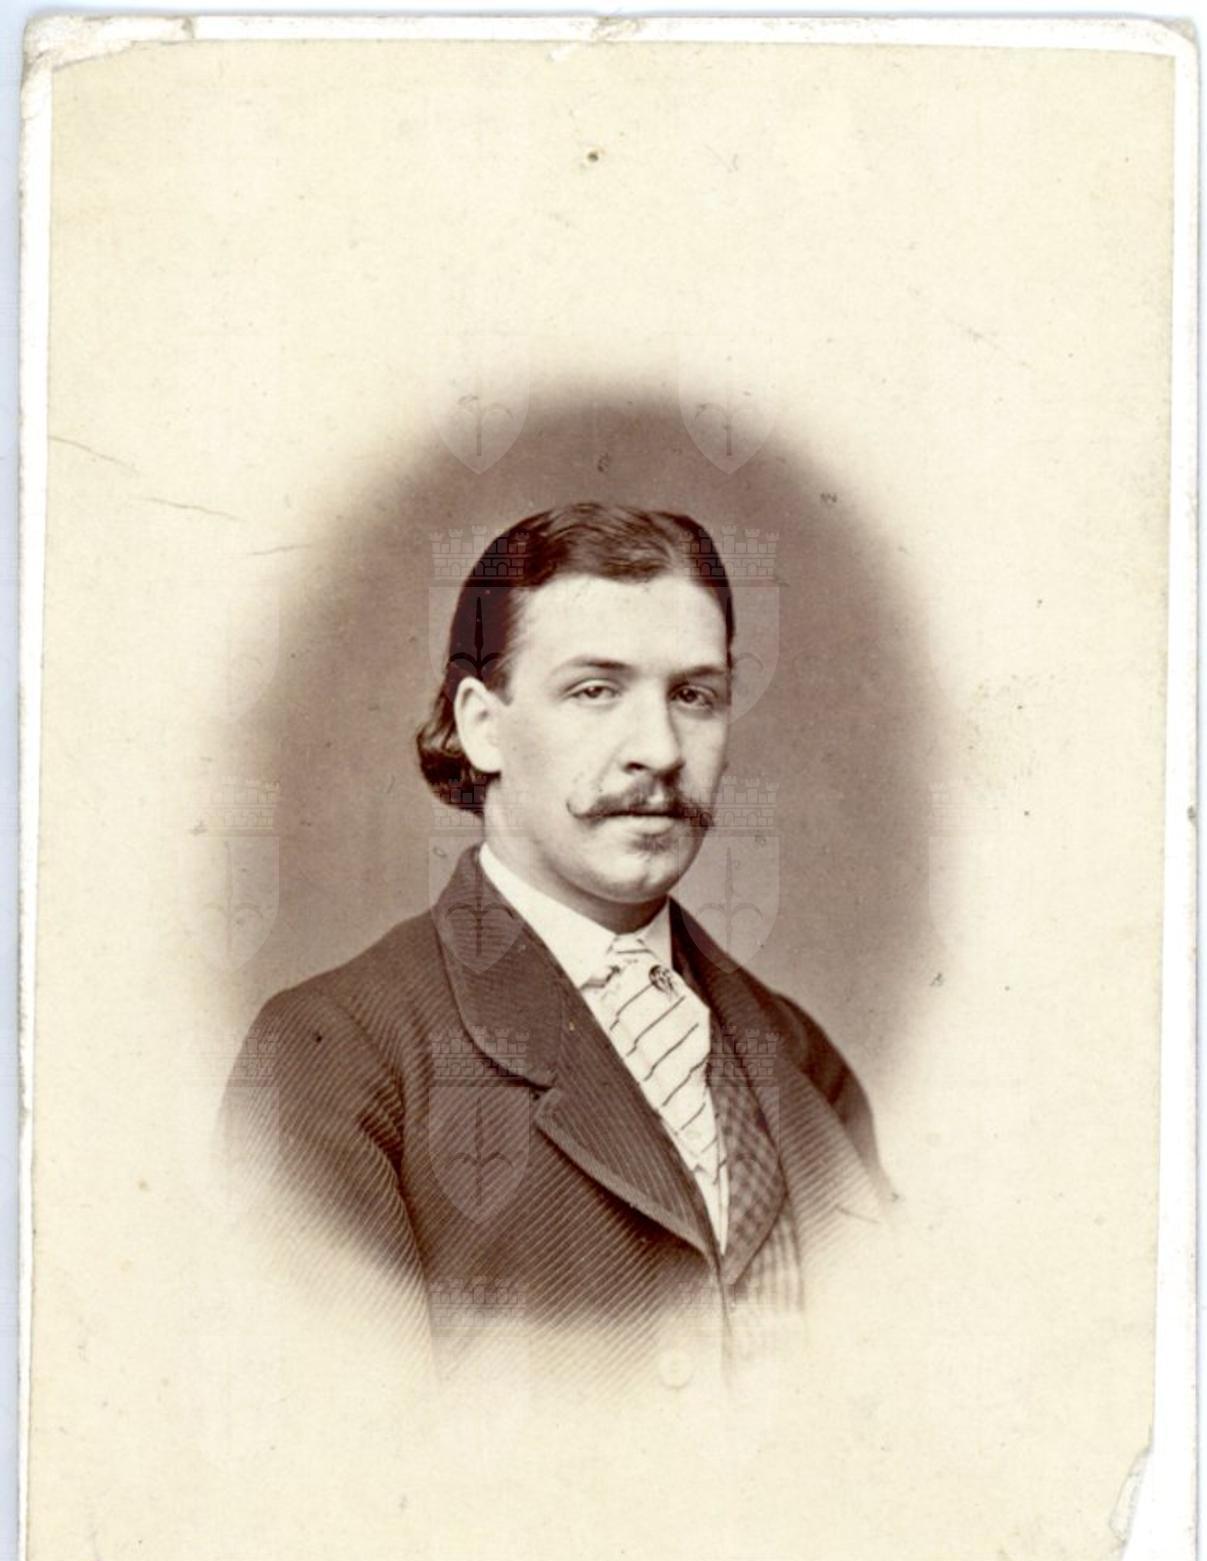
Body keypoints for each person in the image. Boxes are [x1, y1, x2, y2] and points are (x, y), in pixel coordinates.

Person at [222, 502, 885, 1395]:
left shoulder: (798, 1055)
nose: (659, 751)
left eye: (693, 696)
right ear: (481, 726)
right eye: (594, 691)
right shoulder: (336, 1054)